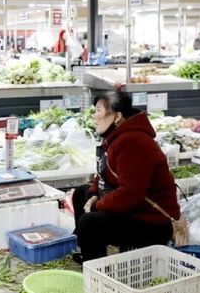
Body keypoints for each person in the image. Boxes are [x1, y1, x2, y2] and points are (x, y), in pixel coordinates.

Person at [71, 91, 179, 262]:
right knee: (81, 194)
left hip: (152, 221)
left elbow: (130, 194)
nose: (94, 116)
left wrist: (97, 205)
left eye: (98, 111)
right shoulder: (115, 136)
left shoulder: (133, 142)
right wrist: (93, 195)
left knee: (90, 222)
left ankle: (97, 269)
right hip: (135, 209)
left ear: (117, 116)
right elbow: (103, 172)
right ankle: (88, 252)